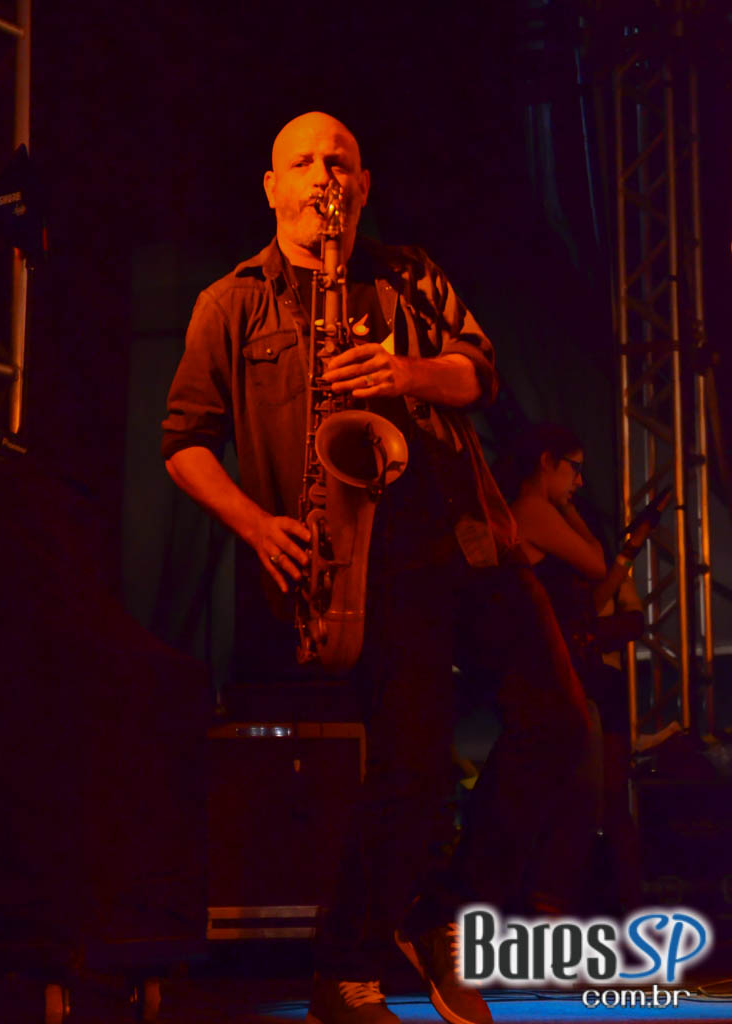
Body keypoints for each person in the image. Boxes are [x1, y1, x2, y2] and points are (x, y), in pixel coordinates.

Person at [161, 113, 595, 1024]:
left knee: (560, 724)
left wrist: (405, 373)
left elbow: (479, 375)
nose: (326, 175)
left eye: (342, 163)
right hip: (364, 559)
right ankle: (344, 971)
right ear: (273, 187)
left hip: (469, 535)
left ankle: (441, 909)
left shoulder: (410, 274)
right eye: (305, 162)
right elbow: (184, 442)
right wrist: (256, 525)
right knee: (410, 774)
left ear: (362, 187)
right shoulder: (229, 303)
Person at [507, 423, 656, 911]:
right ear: (546, 462)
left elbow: (597, 593)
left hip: (570, 672)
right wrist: (570, 510)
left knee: (586, 797)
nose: (580, 482)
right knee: (576, 798)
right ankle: (543, 904)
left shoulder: (539, 512)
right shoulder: (532, 511)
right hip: (551, 673)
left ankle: (551, 904)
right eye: (574, 469)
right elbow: (593, 564)